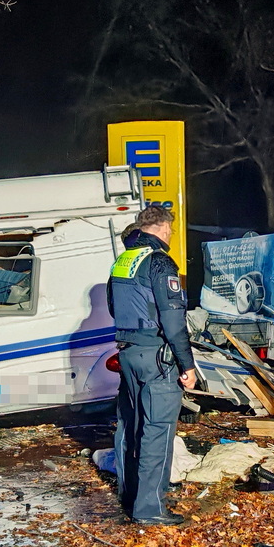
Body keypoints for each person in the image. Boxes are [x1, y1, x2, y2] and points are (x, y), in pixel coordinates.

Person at [108, 204, 199, 525]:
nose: (171, 234)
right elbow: (174, 320)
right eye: (171, 229)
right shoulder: (160, 261)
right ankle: (150, 510)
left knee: (129, 426)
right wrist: (187, 365)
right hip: (157, 357)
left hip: (128, 352)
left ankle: (129, 495)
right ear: (161, 227)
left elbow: (111, 305)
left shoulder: (124, 260)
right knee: (158, 430)